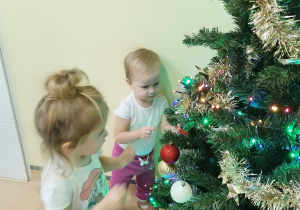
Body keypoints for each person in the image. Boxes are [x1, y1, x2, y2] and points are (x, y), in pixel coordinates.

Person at [34, 68, 135, 210]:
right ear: (70, 146)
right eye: (100, 133)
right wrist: (106, 206)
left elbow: (95, 165)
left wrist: (118, 162)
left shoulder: (85, 151)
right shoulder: (56, 185)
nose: (106, 134)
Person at [109, 48, 170, 210]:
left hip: (146, 155)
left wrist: (173, 130)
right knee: (118, 185)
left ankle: (143, 201)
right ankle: (113, 204)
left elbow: (165, 126)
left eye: (156, 84)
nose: (152, 90)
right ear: (130, 83)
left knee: (147, 181)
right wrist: (138, 133)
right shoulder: (127, 106)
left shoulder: (160, 102)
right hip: (125, 156)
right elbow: (118, 136)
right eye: (145, 86)